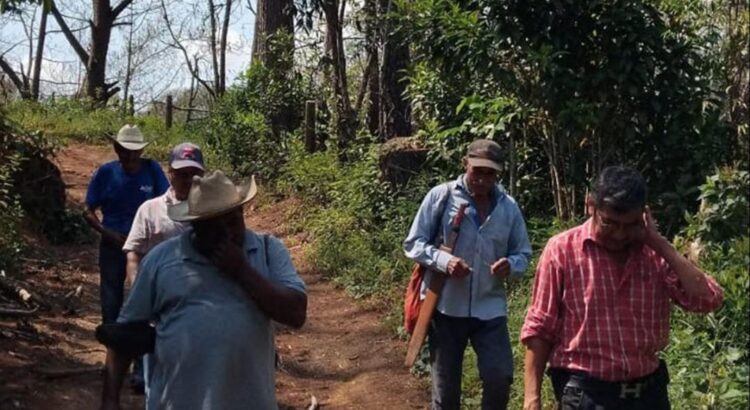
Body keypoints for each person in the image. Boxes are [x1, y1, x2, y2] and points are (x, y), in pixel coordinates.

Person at [100, 170, 307, 410]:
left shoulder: (268, 251)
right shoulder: (162, 260)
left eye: (233, 221)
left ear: (242, 213)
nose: (228, 234)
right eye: (215, 227)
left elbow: (296, 313)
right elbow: (125, 335)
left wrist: (241, 271)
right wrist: (109, 400)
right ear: (196, 226)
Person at [521, 165, 724, 410]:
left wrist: (660, 243)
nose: (619, 234)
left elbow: (708, 299)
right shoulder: (561, 251)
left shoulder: (654, 255)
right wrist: (532, 399)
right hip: (587, 393)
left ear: (644, 215)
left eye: (629, 225)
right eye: (610, 223)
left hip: (648, 395)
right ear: (591, 205)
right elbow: (540, 328)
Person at [404, 139, 532, 410]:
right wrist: (446, 262)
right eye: (478, 171)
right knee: (446, 391)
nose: (483, 180)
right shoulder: (442, 196)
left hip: (490, 309)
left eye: (490, 174)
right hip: (446, 308)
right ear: (466, 164)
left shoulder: (508, 207)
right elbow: (414, 243)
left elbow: (523, 253)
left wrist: (510, 265)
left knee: (500, 376)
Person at [121, 142, 205, 394]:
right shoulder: (151, 209)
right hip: (156, 292)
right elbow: (133, 252)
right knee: (147, 341)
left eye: (193, 174)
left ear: (203, 175)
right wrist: (138, 288)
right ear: (170, 173)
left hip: (198, 293)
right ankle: (142, 376)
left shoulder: (212, 213)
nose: (187, 180)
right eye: (181, 173)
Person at [84, 124, 169, 325]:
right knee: (111, 297)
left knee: (144, 295)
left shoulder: (152, 169)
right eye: (125, 151)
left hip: (145, 246)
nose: (130, 157)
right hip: (113, 243)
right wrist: (108, 233)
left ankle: (142, 344)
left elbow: (166, 202)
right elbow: (87, 211)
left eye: (134, 152)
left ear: (141, 151)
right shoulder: (105, 173)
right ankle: (111, 341)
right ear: (117, 149)